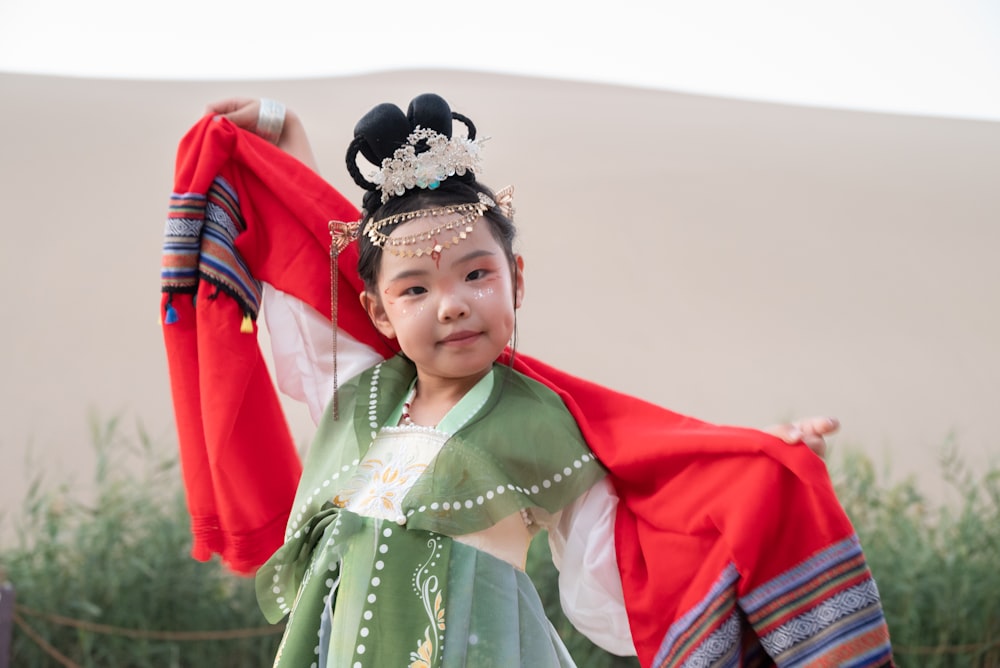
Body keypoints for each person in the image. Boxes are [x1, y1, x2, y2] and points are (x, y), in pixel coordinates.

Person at [160, 93, 891, 667]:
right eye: (414, 290)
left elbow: (631, 560)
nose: (451, 303)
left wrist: (755, 466)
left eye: (476, 274)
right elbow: (306, 268)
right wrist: (281, 133)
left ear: (515, 279)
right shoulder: (354, 394)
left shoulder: (546, 424)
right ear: (377, 313)